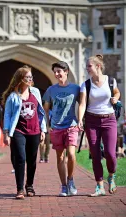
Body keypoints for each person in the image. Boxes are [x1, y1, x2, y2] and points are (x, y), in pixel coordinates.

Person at [78, 54, 120, 197]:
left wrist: (116, 98)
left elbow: (117, 92)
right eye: (87, 66)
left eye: (89, 66)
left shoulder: (111, 81)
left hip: (109, 120)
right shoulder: (86, 84)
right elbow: (83, 103)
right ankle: (99, 186)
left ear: (98, 66)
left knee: (110, 153)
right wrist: (79, 119)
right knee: (95, 154)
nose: (87, 68)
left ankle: (112, 176)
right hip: (92, 121)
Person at [2, 65, 46, 199]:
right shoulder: (13, 96)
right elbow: (7, 115)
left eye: (31, 76)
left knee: (32, 160)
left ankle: (30, 186)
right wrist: (6, 133)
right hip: (18, 131)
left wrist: (43, 129)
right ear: (21, 78)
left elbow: (40, 112)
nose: (30, 79)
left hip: (34, 130)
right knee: (20, 158)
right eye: (27, 77)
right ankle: (20, 189)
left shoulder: (36, 92)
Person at [43, 61, 80, 197]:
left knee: (71, 154)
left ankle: (70, 180)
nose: (57, 74)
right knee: (60, 157)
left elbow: (82, 104)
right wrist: (47, 124)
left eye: (59, 71)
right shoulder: (51, 90)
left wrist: (81, 120)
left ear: (66, 71)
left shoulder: (76, 88)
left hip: (71, 125)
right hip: (56, 127)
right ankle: (64, 186)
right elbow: (45, 109)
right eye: (55, 71)